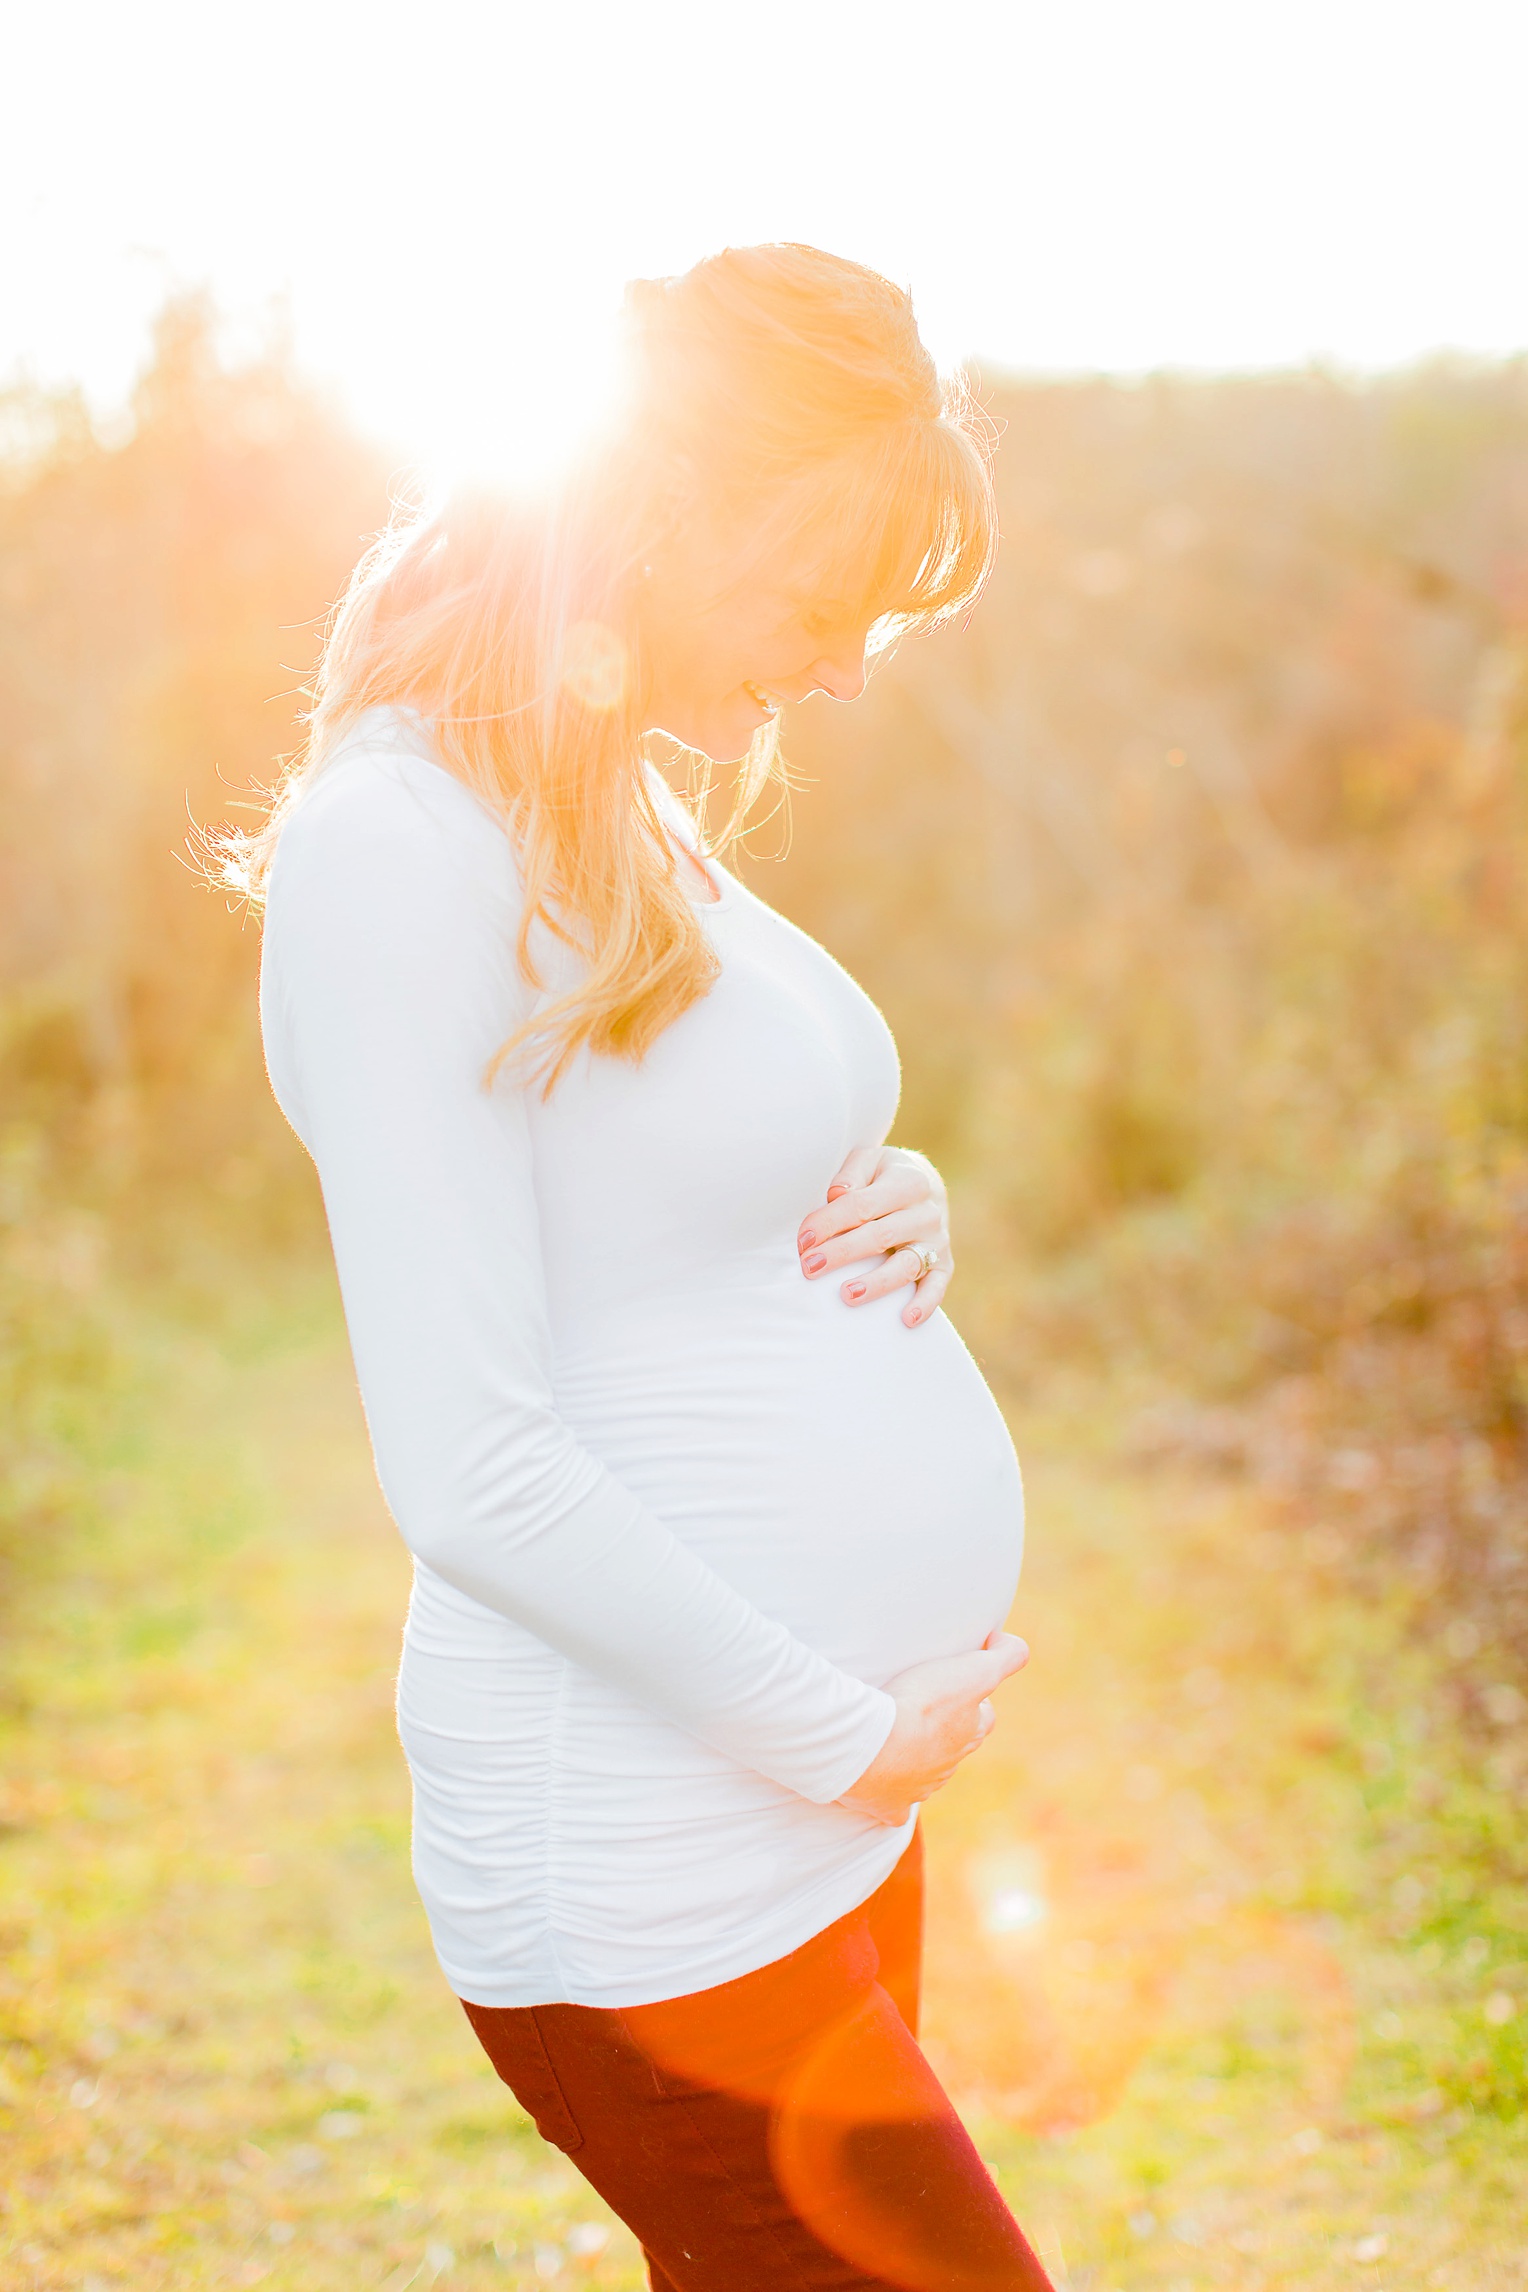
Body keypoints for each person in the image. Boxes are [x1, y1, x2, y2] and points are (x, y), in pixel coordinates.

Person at [240, 243, 1051, 2290]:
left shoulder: (605, 803)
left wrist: (901, 1196)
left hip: (813, 1820)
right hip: (649, 1856)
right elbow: (469, 1466)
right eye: (821, 603)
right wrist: (833, 1727)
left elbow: (679, 1183)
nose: (847, 668)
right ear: (666, 514)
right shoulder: (399, 848)